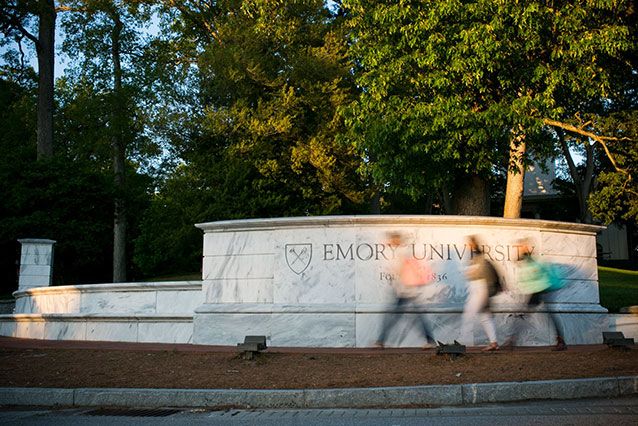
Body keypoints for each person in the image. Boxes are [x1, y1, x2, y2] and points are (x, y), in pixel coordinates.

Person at [374, 231, 436, 349]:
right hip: (405, 290)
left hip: (406, 290)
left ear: (397, 240)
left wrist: (392, 271)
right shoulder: (404, 251)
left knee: (392, 316)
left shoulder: (402, 252)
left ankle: (380, 341)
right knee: (415, 317)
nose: (390, 242)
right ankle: (430, 340)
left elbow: (399, 270)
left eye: (392, 239)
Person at [505, 238, 567, 351]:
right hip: (537, 290)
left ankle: (512, 340)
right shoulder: (525, 260)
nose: (519, 249)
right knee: (530, 314)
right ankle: (512, 339)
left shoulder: (532, 260)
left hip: (541, 289)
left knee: (524, 315)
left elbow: (536, 274)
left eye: (522, 246)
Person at [459, 235, 500, 351]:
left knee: (468, 314)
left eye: (469, 243)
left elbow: (473, 273)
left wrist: (469, 272)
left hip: (479, 287)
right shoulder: (475, 256)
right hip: (478, 288)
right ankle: (494, 343)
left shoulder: (478, 256)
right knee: (485, 316)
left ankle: (461, 343)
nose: (467, 246)